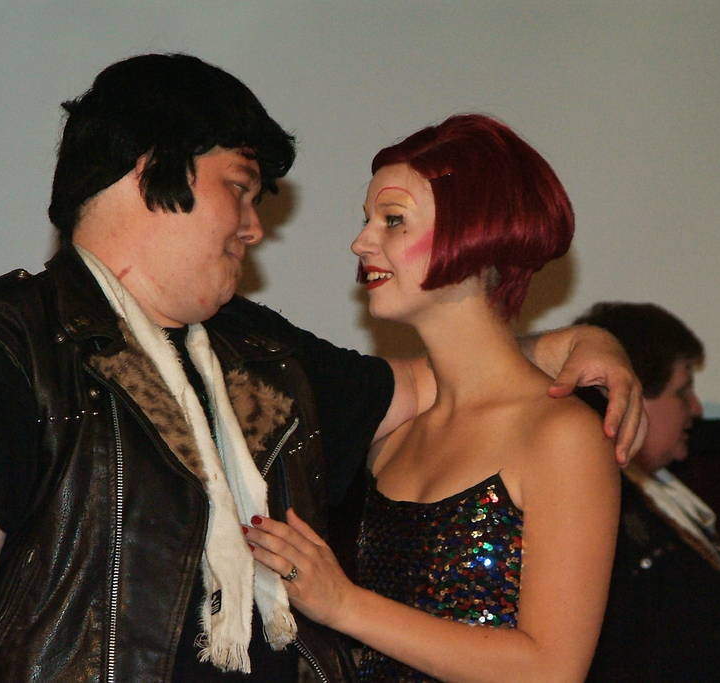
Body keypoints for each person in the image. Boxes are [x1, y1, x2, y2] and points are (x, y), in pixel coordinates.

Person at [0, 56, 642, 682]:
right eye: (240, 190)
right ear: (152, 172)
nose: (253, 227)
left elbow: (444, 380)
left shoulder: (260, 354)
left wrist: (575, 342)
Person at [247, 114, 621, 682]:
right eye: (368, 219)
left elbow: (551, 670)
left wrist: (343, 604)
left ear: (476, 233)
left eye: (393, 220)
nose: (361, 242)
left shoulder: (560, 435)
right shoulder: (398, 432)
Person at [574, 302, 720, 682]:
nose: (696, 408)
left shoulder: (662, 496)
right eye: (682, 391)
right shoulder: (605, 509)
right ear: (629, 394)